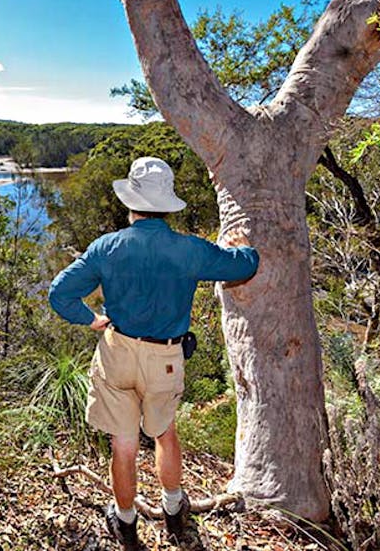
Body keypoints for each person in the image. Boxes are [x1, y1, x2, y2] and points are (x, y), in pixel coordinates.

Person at [48, 156, 259, 549]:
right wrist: (244, 246)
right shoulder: (188, 250)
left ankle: (126, 523)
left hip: (117, 354)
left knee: (123, 445)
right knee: (164, 433)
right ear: (166, 204)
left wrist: (91, 319)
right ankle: (174, 512)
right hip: (164, 359)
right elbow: (243, 266)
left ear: (131, 202)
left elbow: (59, 294)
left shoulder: (106, 247)